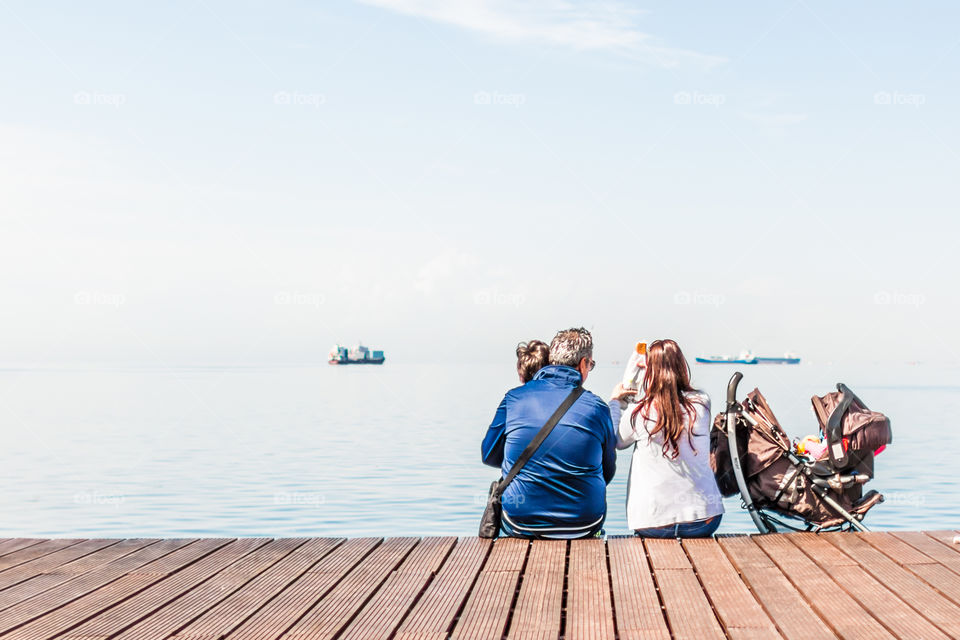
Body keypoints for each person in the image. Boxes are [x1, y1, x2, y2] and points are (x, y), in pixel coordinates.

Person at [482, 328, 616, 538]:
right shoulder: (598, 407)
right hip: (584, 523)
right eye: (591, 364)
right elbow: (607, 471)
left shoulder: (513, 399)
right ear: (583, 364)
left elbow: (489, 455)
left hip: (520, 522)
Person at [609, 339, 724, 538]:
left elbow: (616, 440)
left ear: (650, 373)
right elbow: (671, 402)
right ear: (681, 366)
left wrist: (616, 402)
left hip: (653, 525)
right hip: (704, 521)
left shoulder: (639, 412)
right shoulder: (702, 403)